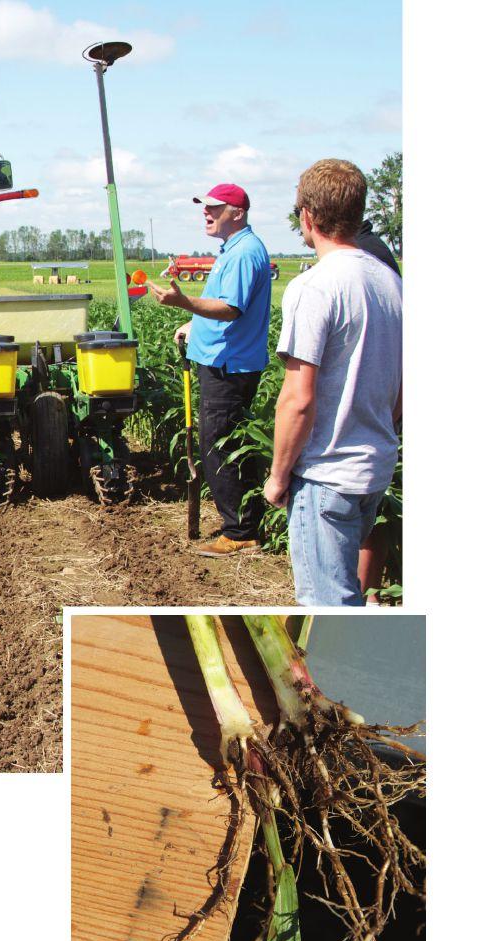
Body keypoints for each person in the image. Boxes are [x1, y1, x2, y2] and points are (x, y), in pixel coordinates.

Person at [262, 159, 402, 607]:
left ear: (307, 216)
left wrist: (277, 476)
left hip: (326, 474)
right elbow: (403, 388)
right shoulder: (391, 282)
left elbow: (298, 400)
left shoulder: (315, 287)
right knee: (348, 596)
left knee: (329, 605)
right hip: (374, 468)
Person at [147, 183, 272, 558]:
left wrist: (183, 302)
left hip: (229, 366)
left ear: (238, 213)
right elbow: (221, 305)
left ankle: (240, 532)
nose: (207, 212)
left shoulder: (244, 252)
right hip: (222, 361)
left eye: (215, 207)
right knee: (221, 443)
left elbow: (231, 309)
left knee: (221, 446)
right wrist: (194, 324)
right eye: (205, 207)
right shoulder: (233, 250)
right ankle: (243, 524)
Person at [352, 218, 401, 600]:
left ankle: (364, 595)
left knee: (372, 510)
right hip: (381, 409)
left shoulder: (365, 257)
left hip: (374, 412)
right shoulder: (370, 251)